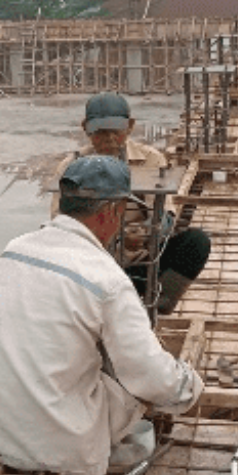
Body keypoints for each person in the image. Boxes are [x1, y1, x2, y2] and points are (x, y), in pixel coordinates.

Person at [0, 155, 203, 475]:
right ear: (112, 211)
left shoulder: (14, 249)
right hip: (58, 451)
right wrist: (190, 387)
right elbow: (152, 376)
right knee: (133, 381)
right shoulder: (106, 279)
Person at [52, 92, 211, 314]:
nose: (109, 138)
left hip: (138, 264)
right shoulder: (70, 167)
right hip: (92, 267)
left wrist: (148, 232)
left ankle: (159, 300)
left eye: (115, 131)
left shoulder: (151, 160)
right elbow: (60, 224)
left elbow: (165, 213)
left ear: (130, 127)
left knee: (196, 242)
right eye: (100, 132)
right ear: (86, 129)